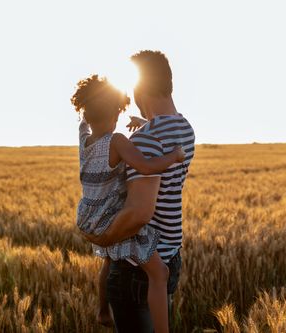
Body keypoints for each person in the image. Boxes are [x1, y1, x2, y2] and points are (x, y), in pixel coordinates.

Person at [83, 50, 195, 332]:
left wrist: (104, 238)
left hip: (136, 269)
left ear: (139, 88)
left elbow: (139, 213)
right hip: (170, 253)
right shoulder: (185, 129)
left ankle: (102, 310)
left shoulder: (145, 139)